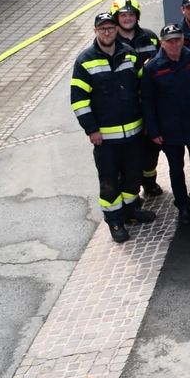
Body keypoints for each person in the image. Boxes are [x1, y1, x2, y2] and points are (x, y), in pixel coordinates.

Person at [70, 12, 157, 243]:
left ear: (117, 29)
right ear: (96, 31)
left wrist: (147, 122)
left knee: (133, 176)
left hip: (134, 133)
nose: (107, 32)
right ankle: (115, 221)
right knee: (109, 182)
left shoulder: (129, 54)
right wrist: (92, 130)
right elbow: (79, 101)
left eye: (110, 28)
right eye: (102, 29)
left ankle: (130, 212)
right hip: (105, 139)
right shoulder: (84, 61)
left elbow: (142, 90)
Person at [142, 23, 190, 226]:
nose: (174, 44)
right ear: (162, 43)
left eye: (177, 39)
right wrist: (154, 131)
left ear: (183, 40)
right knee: (176, 170)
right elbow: (148, 102)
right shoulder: (152, 67)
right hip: (170, 129)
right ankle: (183, 206)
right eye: (169, 41)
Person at [111, 0, 163, 199]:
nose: (127, 18)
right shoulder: (110, 41)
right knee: (130, 153)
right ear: (116, 18)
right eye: (123, 15)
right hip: (125, 107)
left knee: (152, 148)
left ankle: (149, 182)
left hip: (149, 103)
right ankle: (130, 190)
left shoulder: (150, 37)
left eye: (131, 14)